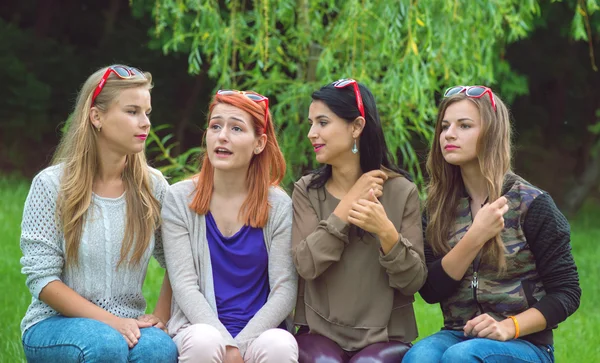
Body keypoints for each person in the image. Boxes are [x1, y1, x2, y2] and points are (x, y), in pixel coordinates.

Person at [402, 86, 581, 363]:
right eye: (445, 126)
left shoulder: (532, 205)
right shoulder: (438, 208)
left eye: (464, 126)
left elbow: (567, 292)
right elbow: (431, 290)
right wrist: (475, 236)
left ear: (491, 134)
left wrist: (509, 326)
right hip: (458, 333)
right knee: (419, 357)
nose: (449, 134)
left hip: (525, 342)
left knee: (462, 357)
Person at [19, 65, 178, 362]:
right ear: (97, 117)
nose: (145, 123)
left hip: (129, 322)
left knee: (158, 349)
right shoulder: (52, 185)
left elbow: (178, 260)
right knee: (104, 345)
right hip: (54, 324)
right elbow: (42, 280)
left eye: (147, 113)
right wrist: (110, 322)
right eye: (132, 111)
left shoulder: (153, 187)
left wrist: (161, 315)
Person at [292, 79, 427, 362]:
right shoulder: (306, 191)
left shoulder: (402, 192)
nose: (311, 133)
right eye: (311, 123)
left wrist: (385, 231)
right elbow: (306, 264)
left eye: (322, 123)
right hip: (318, 332)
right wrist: (348, 205)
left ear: (356, 127)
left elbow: (414, 281)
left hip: (386, 335)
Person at [162, 90, 298, 363]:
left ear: (259, 143)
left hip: (260, 332)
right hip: (198, 328)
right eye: (215, 126)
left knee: (280, 346)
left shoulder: (279, 205)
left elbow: (285, 290)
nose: (222, 136)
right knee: (204, 342)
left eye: (236, 128)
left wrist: (240, 345)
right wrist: (224, 342)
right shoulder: (179, 199)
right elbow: (185, 286)